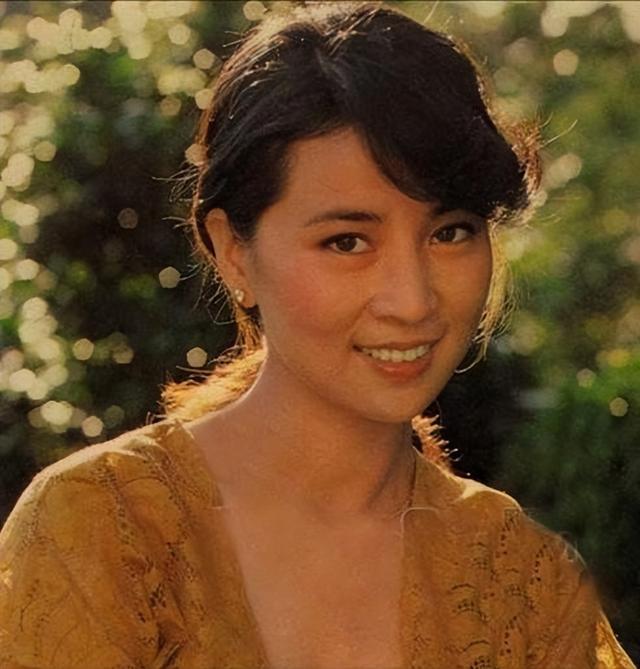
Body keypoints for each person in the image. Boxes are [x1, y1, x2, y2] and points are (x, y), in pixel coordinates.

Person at [0, 2, 635, 668]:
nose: (412, 301)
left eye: (451, 232)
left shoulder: (522, 579)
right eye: (347, 241)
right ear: (232, 251)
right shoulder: (101, 531)